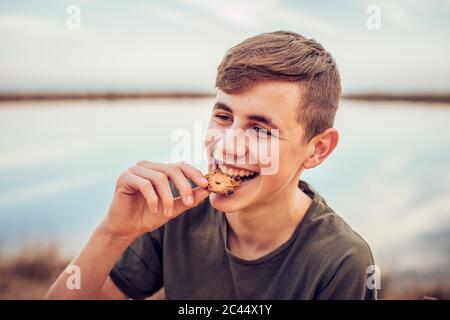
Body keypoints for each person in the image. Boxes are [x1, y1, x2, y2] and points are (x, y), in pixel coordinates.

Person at [46, 31, 377, 300]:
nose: (227, 144)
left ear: (317, 150)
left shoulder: (340, 262)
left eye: (261, 130)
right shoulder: (175, 209)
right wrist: (114, 232)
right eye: (224, 116)